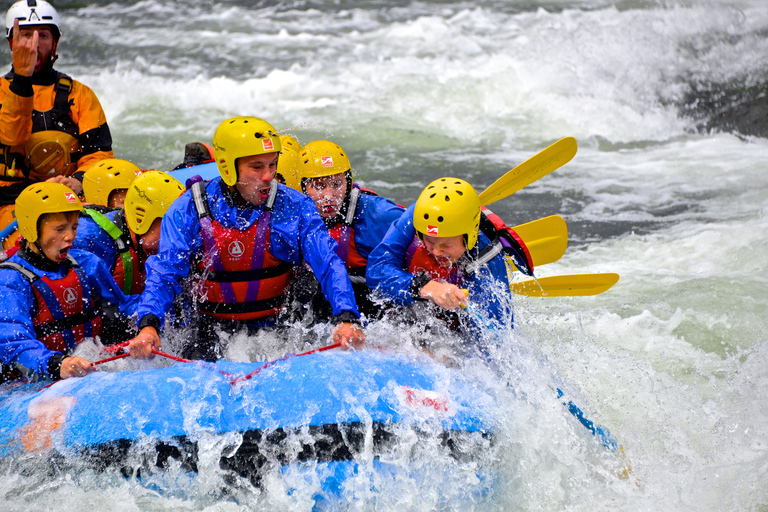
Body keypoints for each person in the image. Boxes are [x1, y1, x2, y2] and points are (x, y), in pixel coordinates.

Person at [128, 116, 365, 362]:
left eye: (272, 165)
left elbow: (327, 263)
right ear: (228, 167)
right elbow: (165, 274)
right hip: (210, 331)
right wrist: (148, 325)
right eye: (257, 167)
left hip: (277, 329)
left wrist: (346, 317)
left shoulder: (295, 206)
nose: (268, 176)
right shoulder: (187, 210)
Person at [0, 0, 113, 248]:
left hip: (68, 197)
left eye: (43, 35)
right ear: (12, 44)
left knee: (102, 241)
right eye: (26, 36)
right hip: (12, 203)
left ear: (55, 42)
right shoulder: (0, 91)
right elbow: (11, 137)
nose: (34, 44)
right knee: (35, 248)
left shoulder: (79, 94)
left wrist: (79, 181)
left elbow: (100, 156)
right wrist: (21, 79)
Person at [0, 182, 137, 383]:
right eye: (59, 229)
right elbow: (14, 342)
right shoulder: (10, 281)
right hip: (31, 381)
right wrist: (58, 364)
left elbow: (123, 305)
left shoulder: (85, 262)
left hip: (85, 366)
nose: (70, 237)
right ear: (31, 229)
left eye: (74, 227)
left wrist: (149, 321)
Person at [366, 177, 534, 330]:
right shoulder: (415, 218)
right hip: (403, 313)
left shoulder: (488, 258)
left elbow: (497, 334)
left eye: (446, 244)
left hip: (450, 330)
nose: (437, 252)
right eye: (429, 242)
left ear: (469, 237)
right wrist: (426, 287)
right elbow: (376, 271)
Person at [290, 140, 404, 320]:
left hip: (372, 311)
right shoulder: (288, 217)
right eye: (319, 186)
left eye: (336, 184)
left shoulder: (379, 214)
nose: (329, 196)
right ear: (302, 187)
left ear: (348, 182)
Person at [74, 171, 184, 344]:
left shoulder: (152, 243)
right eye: (169, 227)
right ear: (141, 218)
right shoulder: (87, 239)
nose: (176, 238)